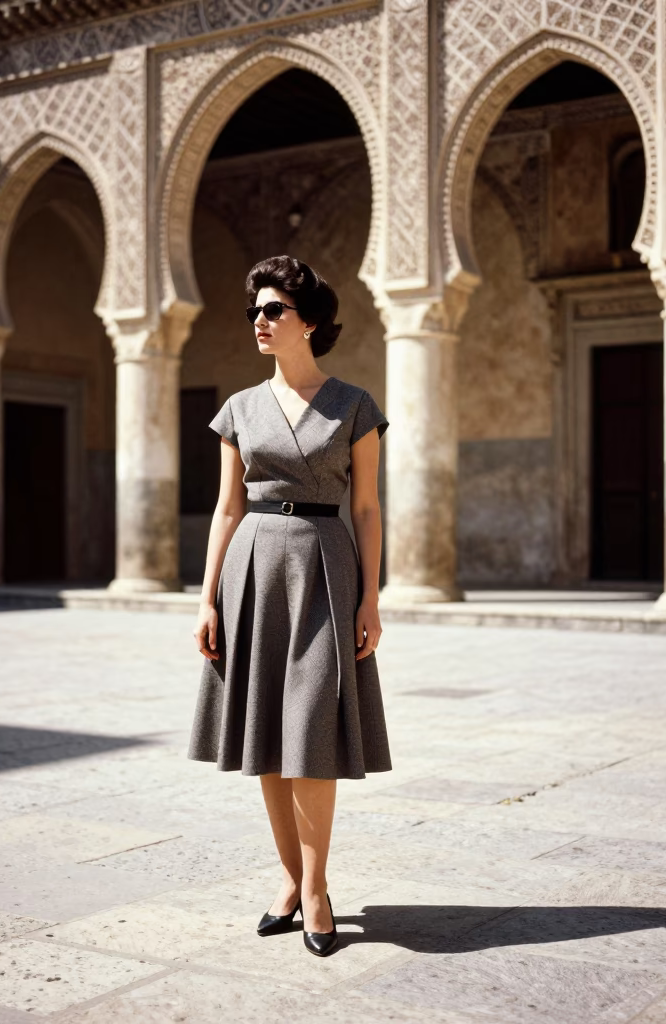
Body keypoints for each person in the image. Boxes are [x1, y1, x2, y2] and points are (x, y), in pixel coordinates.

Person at [189, 255, 391, 957]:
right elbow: (225, 508)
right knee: (266, 735)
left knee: (311, 731)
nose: (260, 322)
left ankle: (317, 887)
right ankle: (288, 879)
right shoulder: (238, 409)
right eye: (254, 312)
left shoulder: (355, 405)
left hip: (325, 567)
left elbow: (365, 508)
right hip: (253, 568)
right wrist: (208, 599)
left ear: (309, 322)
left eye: (273, 311)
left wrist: (371, 594)